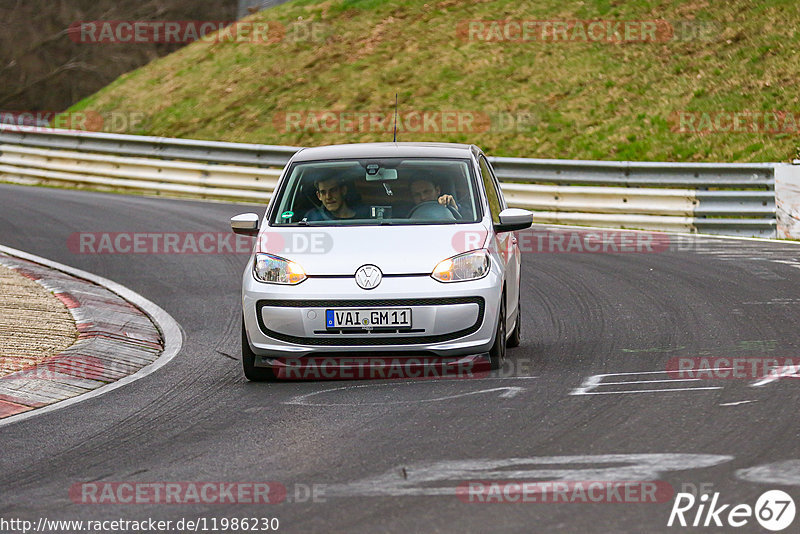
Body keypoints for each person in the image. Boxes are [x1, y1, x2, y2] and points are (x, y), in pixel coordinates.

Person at [303, 177, 368, 221]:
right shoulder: (312, 218)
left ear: (343, 190)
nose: (328, 197)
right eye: (323, 192)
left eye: (333, 190)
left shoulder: (365, 217)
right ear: (319, 196)